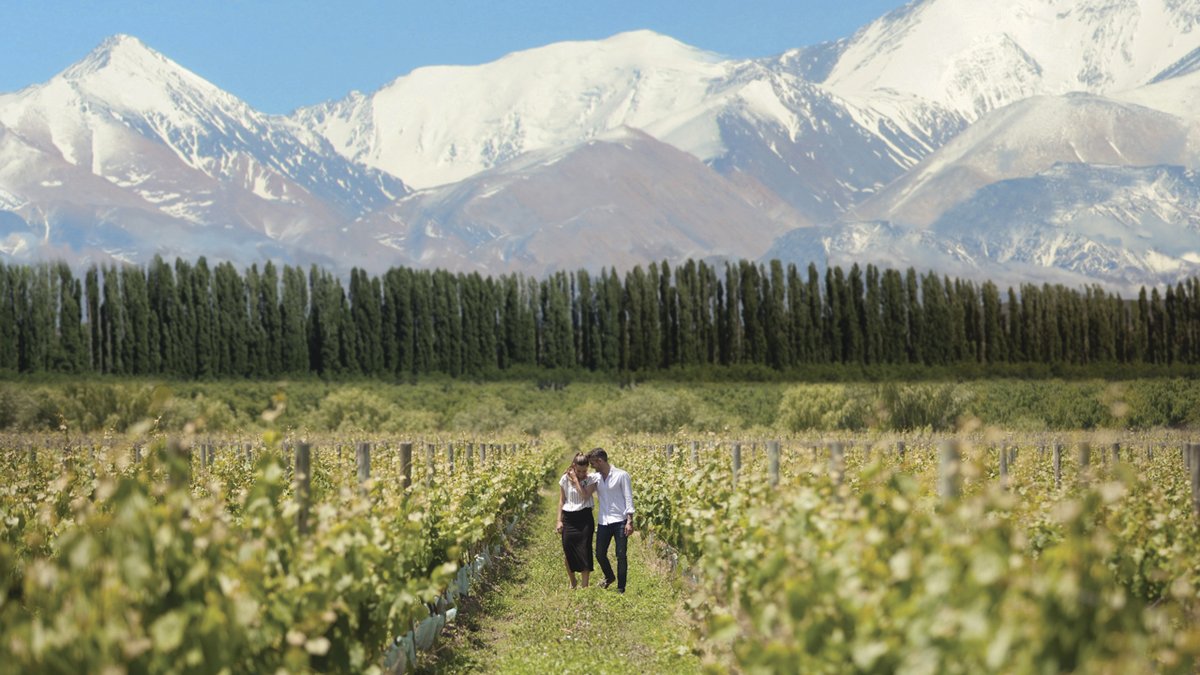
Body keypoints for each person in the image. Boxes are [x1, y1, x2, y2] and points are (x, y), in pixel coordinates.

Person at [586, 447, 634, 593]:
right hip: (603, 521)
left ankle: (621, 588)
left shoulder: (621, 475)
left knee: (621, 555)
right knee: (600, 553)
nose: (592, 467)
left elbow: (628, 497)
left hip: (620, 520)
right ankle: (609, 576)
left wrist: (629, 521)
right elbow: (585, 490)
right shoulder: (597, 477)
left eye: (593, 463)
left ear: (600, 461)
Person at [557, 452, 599, 589]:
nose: (582, 473)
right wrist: (559, 520)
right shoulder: (564, 479)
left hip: (585, 518)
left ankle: (585, 586)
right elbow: (562, 500)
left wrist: (576, 481)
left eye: (584, 470)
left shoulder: (591, 479)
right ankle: (573, 581)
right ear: (573, 466)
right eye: (579, 471)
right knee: (568, 550)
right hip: (569, 518)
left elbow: (585, 496)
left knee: (585, 550)